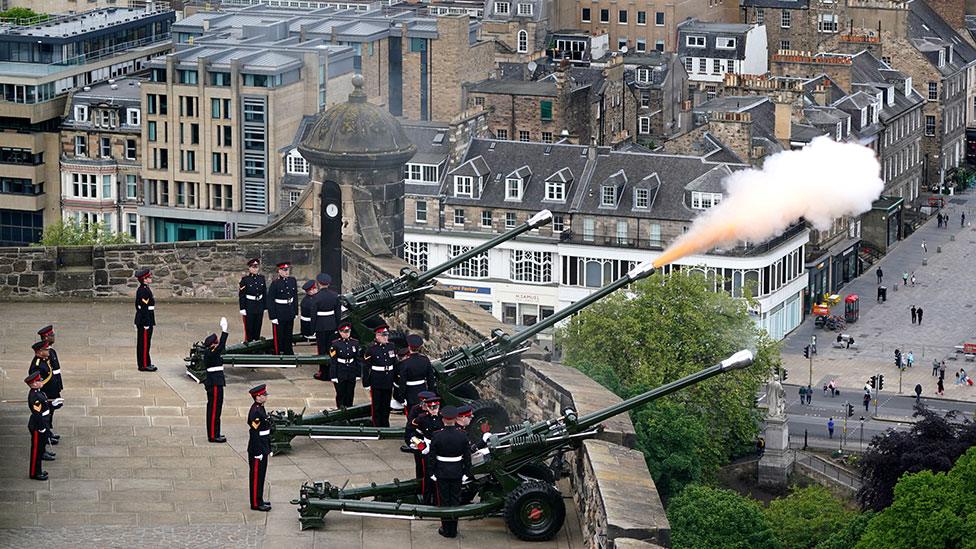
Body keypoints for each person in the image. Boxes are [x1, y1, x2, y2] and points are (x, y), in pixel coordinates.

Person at [429, 405, 471, 539]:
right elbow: (467, 457)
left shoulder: (436, 435)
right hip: (457, 471)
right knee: (455, 500)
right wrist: (466, 473)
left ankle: (446, 529)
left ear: (443, 420)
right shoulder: (462, 435)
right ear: (455, 419)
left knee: (444, 501)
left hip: (441, 472)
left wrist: (431, 473)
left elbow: (432, 457)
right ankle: (453, 529)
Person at [404, 391, 443, 504]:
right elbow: (410, 431)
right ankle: (424, 495)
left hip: (437, 447)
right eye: (427, 405)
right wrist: (419, 444)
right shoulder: (417, 412)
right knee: (423, 472)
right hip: (422, 446)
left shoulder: (439, 415)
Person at [363, 324, 399, 427]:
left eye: (387, 335)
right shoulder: (371, 349)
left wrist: (396, 380)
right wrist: (366, 383)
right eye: (383, 335)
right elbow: (366, 367)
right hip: (376, 380)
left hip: (388, 379)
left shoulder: (391, 346)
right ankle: (377, 425)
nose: (386, 337)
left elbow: (395, 364)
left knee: (386, 405)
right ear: (377, 336)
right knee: (377, 405)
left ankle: (385, 424)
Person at [31, 331, 62, 444]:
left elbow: (55, 372)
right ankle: (46, 435)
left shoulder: (46, 358)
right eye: (45, 350)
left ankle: (48, 433)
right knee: (45, 415)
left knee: (50, 413)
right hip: (45, 393)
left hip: (51, 391)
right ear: (40, 352)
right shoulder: (38, 365)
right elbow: (36, 382)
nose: (48, 351)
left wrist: (58, 388)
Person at [311, 273, 342, 380]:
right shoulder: (334, 295)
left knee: (322, 349)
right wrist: (337, 327)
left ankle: (323, 372)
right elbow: (338, 314)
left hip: (320, 326)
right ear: (328, 284)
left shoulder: (316, 297)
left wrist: (313, 329)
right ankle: (332, 372)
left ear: (319, 283)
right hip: (332, 325)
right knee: (332, 349)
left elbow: (313, 315)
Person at [203, 317, 229, 443]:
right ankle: (213, 435)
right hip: (214, 383)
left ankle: (215, 433)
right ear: (213, 344)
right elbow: (221, 347)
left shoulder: (211, 351)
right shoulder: (211, 352)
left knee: (216, 409)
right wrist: (224, 331)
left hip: (216, 382)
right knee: (214, 410)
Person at [247, 384, 272, 512]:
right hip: (258, 448)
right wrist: (258, 451)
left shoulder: (260, 408)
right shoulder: (256, 411)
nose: (265, 396)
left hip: (263, 446)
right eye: (263, 395)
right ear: (258, 397)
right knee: (257, 476)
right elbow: (255, 432)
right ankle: (256, 503)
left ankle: (259, 499)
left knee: (261, 475)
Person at [329, 321, 363, 408]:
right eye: (345, 332)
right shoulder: (335, 344)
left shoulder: (355, 343)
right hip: (340, 371)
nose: (347, 334)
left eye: (348, 331)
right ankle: (340, 411)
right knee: (341, 394)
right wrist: (333, 376)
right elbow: (333, 361)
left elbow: (357, 359)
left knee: (350, 393)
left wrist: (358, 373)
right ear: (340, 332)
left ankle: (349, 410)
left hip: (351, 371)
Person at [267, 261, 298, 355]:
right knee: (279, 335)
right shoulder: (275, 284)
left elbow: (295, 297)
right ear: (279, 271)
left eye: (287, 270)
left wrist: (295, 311)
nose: (286, 272)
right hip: (279, 312)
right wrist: (273, 316)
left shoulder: (292, 281)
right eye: (284, 270)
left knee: (288, 334)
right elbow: (270, 301)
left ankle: (288, 351)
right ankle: (279, 352)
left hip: (289, 311)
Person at [399, 335, 436, 411]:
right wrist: (431, 393)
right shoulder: (425, 360)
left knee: (412, 416)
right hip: (423, 391)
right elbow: (430, 379)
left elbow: (402, 382)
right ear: (419, 347)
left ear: (409, 347)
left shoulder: (405, 363)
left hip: (410, 393)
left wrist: (401, 398)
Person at [26, 371, 51, 480]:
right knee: (36, 450)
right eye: (39, 380)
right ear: (34, 384)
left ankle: (38, 470)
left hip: (42, 423)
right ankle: (34, 473)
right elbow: (37, 415)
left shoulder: (38, 392)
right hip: (37, 426)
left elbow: (44, 406)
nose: (41, 381)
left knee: (40, 449)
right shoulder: (35, 396)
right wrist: (41, 428)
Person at [133, 268, 157, 372]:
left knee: (146, 343)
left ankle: (146, 362)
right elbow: (143, 308)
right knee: (144, 343)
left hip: (146, 319)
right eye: (148, 277)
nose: (150, 278)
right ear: (144, 279)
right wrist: (146, 323)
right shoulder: (143, 291)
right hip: (144, 320)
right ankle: (143, 364)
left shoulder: (145, 289)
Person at [238, 258, 267, 342]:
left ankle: (256, 342)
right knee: (249, 327)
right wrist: (242, 308)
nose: (255, 269)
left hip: (259, 305)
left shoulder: (262, 278)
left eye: (256, 267)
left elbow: (264, 293)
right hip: (249, 306)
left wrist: (265, 306)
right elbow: (242, 295)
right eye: (253, 267)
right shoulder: (245, 280)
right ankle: (250, 344)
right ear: (249, 268)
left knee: (258, 326)